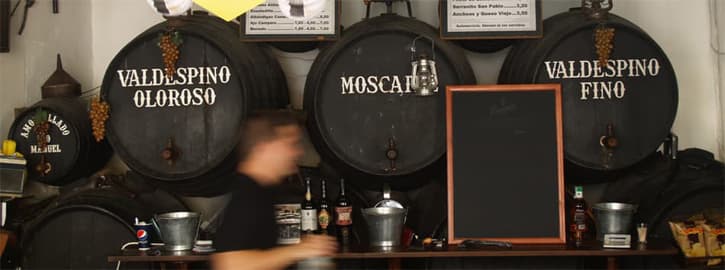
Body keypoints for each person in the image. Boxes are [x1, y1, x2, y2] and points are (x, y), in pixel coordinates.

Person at [212, 112, 337, 270]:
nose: (298, 152)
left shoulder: (262, 191)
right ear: (263, 148)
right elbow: (230, 264)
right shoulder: (248, 195)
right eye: (291, 144)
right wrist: (297, 251)